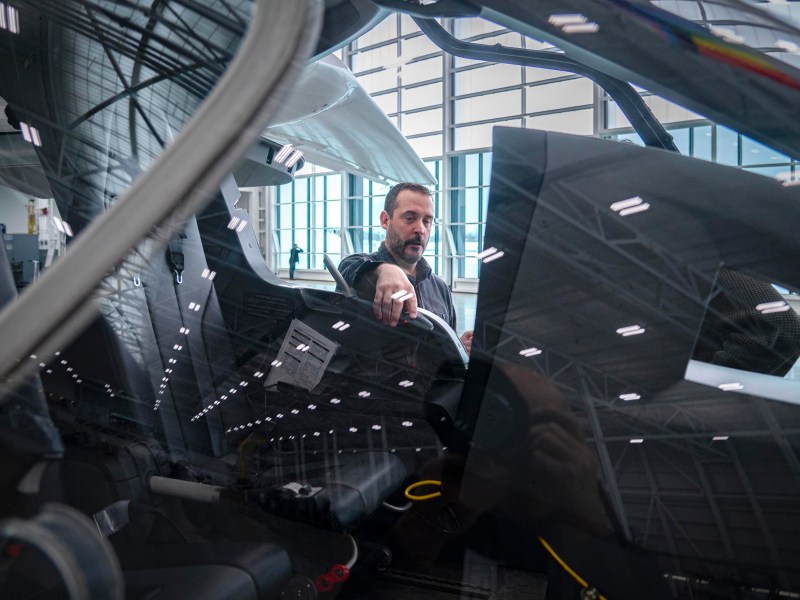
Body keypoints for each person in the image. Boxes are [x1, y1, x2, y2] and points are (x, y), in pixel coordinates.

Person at [338, 182, 473, 354]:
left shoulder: (440, 289)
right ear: (385, 220)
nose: (420, 229)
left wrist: (458, 348)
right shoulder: (363, 274)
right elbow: (347, 267)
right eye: (410, 218)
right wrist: (385, 270)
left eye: (427, 221)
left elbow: (441, 352)